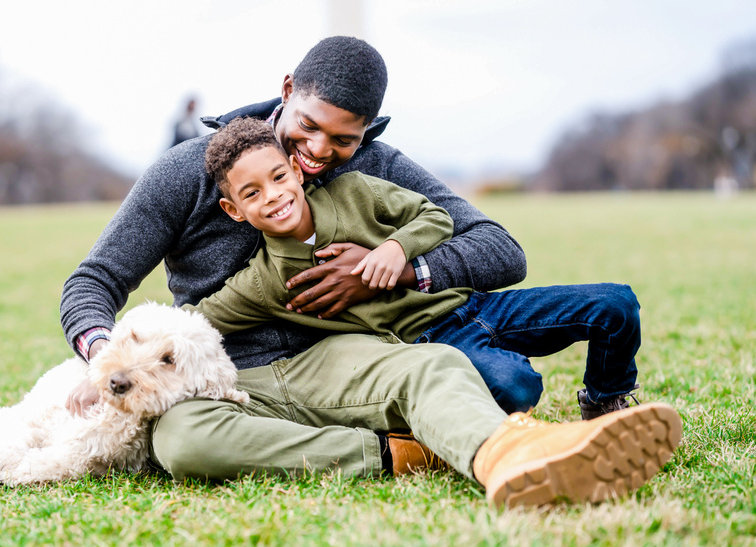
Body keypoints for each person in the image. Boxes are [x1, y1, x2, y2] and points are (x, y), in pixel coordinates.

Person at [60, 37, 679, 507]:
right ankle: (401, 453)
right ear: (286, 91)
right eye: (307, 125)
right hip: (227, 372)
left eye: (343, 139)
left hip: (341, 354)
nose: (317, 152)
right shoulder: (186, 171)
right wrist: (101, 358)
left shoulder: (375, 170)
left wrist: (400, 267)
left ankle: (517, 454)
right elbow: (93, 284)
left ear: (367, 133)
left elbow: (497, 247)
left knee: (438, 367)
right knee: (182, 443)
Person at [190, 117, 643, 420]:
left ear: (295, 169)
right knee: (516, 384)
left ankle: (604, 404)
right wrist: (127, 349)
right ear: (234, 210)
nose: (271, 195)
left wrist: (394, 249)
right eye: (251, 194)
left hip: (474, 306)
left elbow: (437, 217)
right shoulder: (266, 281)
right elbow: (196, 321)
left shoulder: (356, 191)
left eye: (276, 178)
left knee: (616, 304)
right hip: (429, 344)